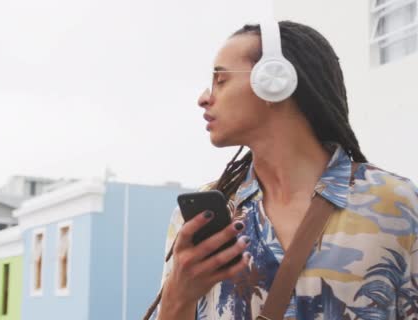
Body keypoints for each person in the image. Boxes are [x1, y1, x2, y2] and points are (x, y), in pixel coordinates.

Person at [150, 21, 418, 319]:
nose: (204, 97)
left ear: (274, 81)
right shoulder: (204, 216)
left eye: (221, 80)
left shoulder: (396, 205)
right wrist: (177, 297)